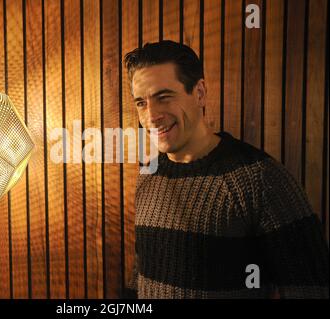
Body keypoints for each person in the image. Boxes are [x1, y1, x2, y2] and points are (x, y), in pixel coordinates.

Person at [123, 40, 329, 299]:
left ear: (199, 93)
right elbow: (140, 274)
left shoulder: (259, 178)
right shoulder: (149, 175)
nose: (151, 116)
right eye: (141, 102)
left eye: (163, 97)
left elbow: (312, 287)